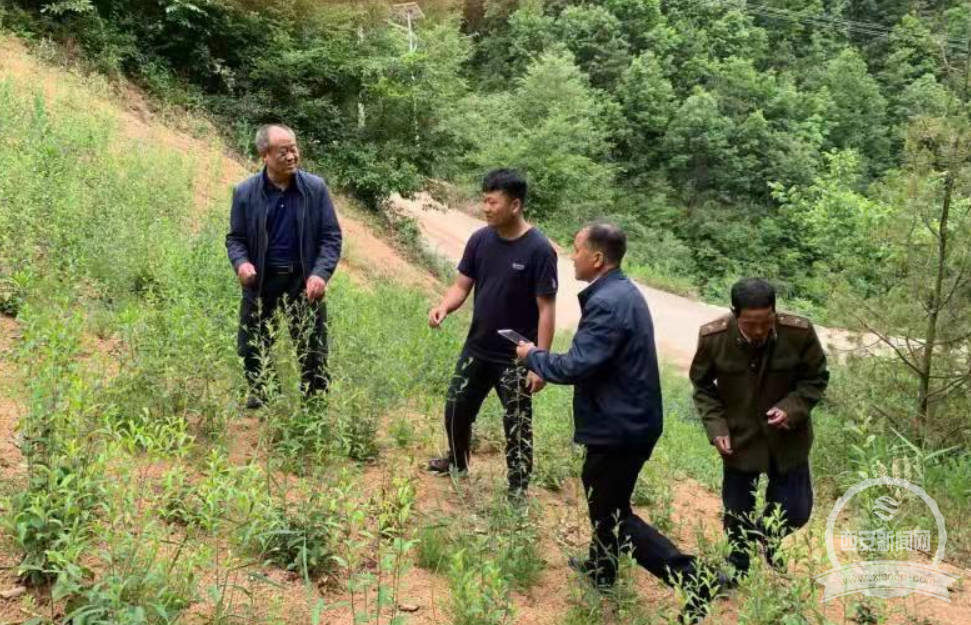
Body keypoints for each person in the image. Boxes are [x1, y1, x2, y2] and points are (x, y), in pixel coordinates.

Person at [516, 222, 723, 624]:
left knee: (611, 513)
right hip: (628, 420)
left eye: (576, 250)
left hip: (620, 426)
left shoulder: (609, 302)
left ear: (596, 258)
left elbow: (577, 364)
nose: (571, 256)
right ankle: (602, 568)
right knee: (608, 500)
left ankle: (693, 579)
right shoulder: (618, 292)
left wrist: (532, 356)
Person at [427, 169, 557, 497]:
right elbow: (461, 285)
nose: (485, 207)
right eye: (483, 200)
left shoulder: (540, 249)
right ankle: (457, 462)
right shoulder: (480, 240)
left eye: (492, 201)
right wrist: (445, 307)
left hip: (516, 357)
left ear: (514, 205)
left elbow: (546, 309)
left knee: (517, 423)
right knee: (456, 408)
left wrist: (540, 361)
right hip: (478, 347)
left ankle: (517, 488)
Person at [689, 278, 829, 580]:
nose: (758, 331)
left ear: (774, 314)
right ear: (734, 314)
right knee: (737, 510)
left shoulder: (798, 333)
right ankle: (737, 567)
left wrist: (792, 408)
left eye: (765, 322)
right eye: (750, 323)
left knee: (795, 511)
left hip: (788, 438)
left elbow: (816, 378)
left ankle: (767, 537)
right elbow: (702, 386)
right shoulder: (714, 338)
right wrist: (717, 427)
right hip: (740, 439)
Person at [226, 123, 342, 408]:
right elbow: (236, 239)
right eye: (283, 151)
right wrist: (241, 264)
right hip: (261, 281)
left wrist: (320, 274)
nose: (292, 156)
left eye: (294, 149)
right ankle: (265, 397)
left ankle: (314, 407)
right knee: (251, 345)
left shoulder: (314, 189)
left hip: (302, 283)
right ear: (264, 155)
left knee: (313, 349)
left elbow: (331, 237)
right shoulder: (245, 192)